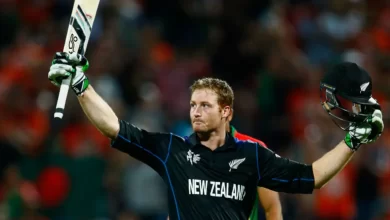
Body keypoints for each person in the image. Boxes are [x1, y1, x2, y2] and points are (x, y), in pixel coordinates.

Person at [48, 53, 383, 220]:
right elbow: (113, 126)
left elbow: (313, 177)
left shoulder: (253, 156)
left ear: (226, 112)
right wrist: (81, 86)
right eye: (193, 105)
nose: (195, 112)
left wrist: (353, 142)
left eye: (205, 106)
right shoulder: (172, 150)